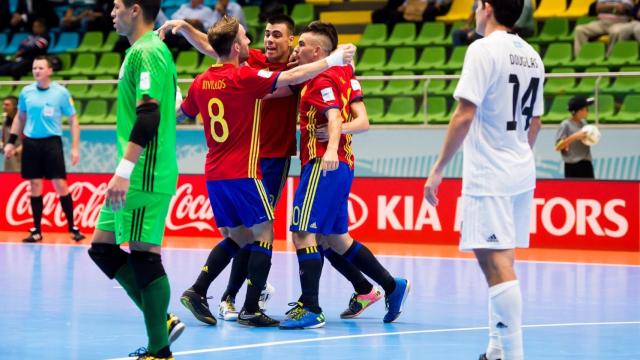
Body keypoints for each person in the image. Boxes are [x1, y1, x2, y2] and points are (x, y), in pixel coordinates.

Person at [159, 15, 381, 322]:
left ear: (292, 43)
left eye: (277, 35)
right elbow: (218, 47)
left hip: (247, 163)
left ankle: (212, 292)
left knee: (253, 234)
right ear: (239, 46)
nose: (265, 40)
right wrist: (333, 59)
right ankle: (246, 303)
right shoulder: (251, 72)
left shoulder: (208, 80)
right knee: (265, 232)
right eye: (261, 34)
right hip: (246, 166)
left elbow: (212, 65)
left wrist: (338, 59)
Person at [423, 0, 544, 359]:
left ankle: (514, 355)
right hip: (521, 168)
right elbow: (535, 122)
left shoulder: (482, 49)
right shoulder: (533, 56)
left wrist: (438, 167)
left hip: (490, 174)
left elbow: (464, 113)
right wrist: (518, 156)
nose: (475, 12)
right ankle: (495, 350)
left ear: (488, 8)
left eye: (476, 5)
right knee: (502, 260)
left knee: (495, 264)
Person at [279, 21, 410, 330]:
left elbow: (335, 117)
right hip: (341, 165)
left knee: (302, 233)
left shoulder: (322, 78)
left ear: (318, 51)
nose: (295, 49)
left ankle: (311, 308)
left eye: (301, 46)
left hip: (323, 165)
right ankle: (390, 287)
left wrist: (330, 147)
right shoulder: (345, 74)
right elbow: (360, 121)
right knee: (334, 239)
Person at [87, 1, 185, 359]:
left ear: (135, 9)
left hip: (145, 173)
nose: (110, 12)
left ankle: (159, 350)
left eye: (116, 6)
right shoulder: (144, 53)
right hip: (139, 170)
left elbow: (148, 116)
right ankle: (162, 320)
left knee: (144, 255)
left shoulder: (148, 53)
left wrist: (123, 172)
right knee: (102, 248)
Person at [3, 56, 86, 243]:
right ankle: (37, 230)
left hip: (52, 143)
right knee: (35, 186)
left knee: (60, 185)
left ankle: (73, 227)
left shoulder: (61, 93)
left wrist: (75, 147)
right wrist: (11, 142)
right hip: (31, 143)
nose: (36, 71)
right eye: (34, 68)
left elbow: (73, 120)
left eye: (40, 67)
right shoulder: (26, 92)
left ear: (49, 70)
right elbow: (19, 118)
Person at [555, 96, 596, 179]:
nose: (587, 111)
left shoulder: (584, 123)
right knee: (573, 191)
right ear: (578, 111)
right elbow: (557, 147)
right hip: (572, 166)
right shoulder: (565, 125)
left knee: (590, 191)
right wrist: (574, 137)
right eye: (586, 109)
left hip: (586, 164)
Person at [2, 96, 22, 172]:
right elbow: (4, 141)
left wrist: (16, 151)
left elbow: (28, 141)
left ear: (15, 106)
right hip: (9, 161)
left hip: (21, 161)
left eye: (7, 105)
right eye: (3, 104)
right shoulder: (5, 122)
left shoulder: (23, 122)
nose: (4, 107)